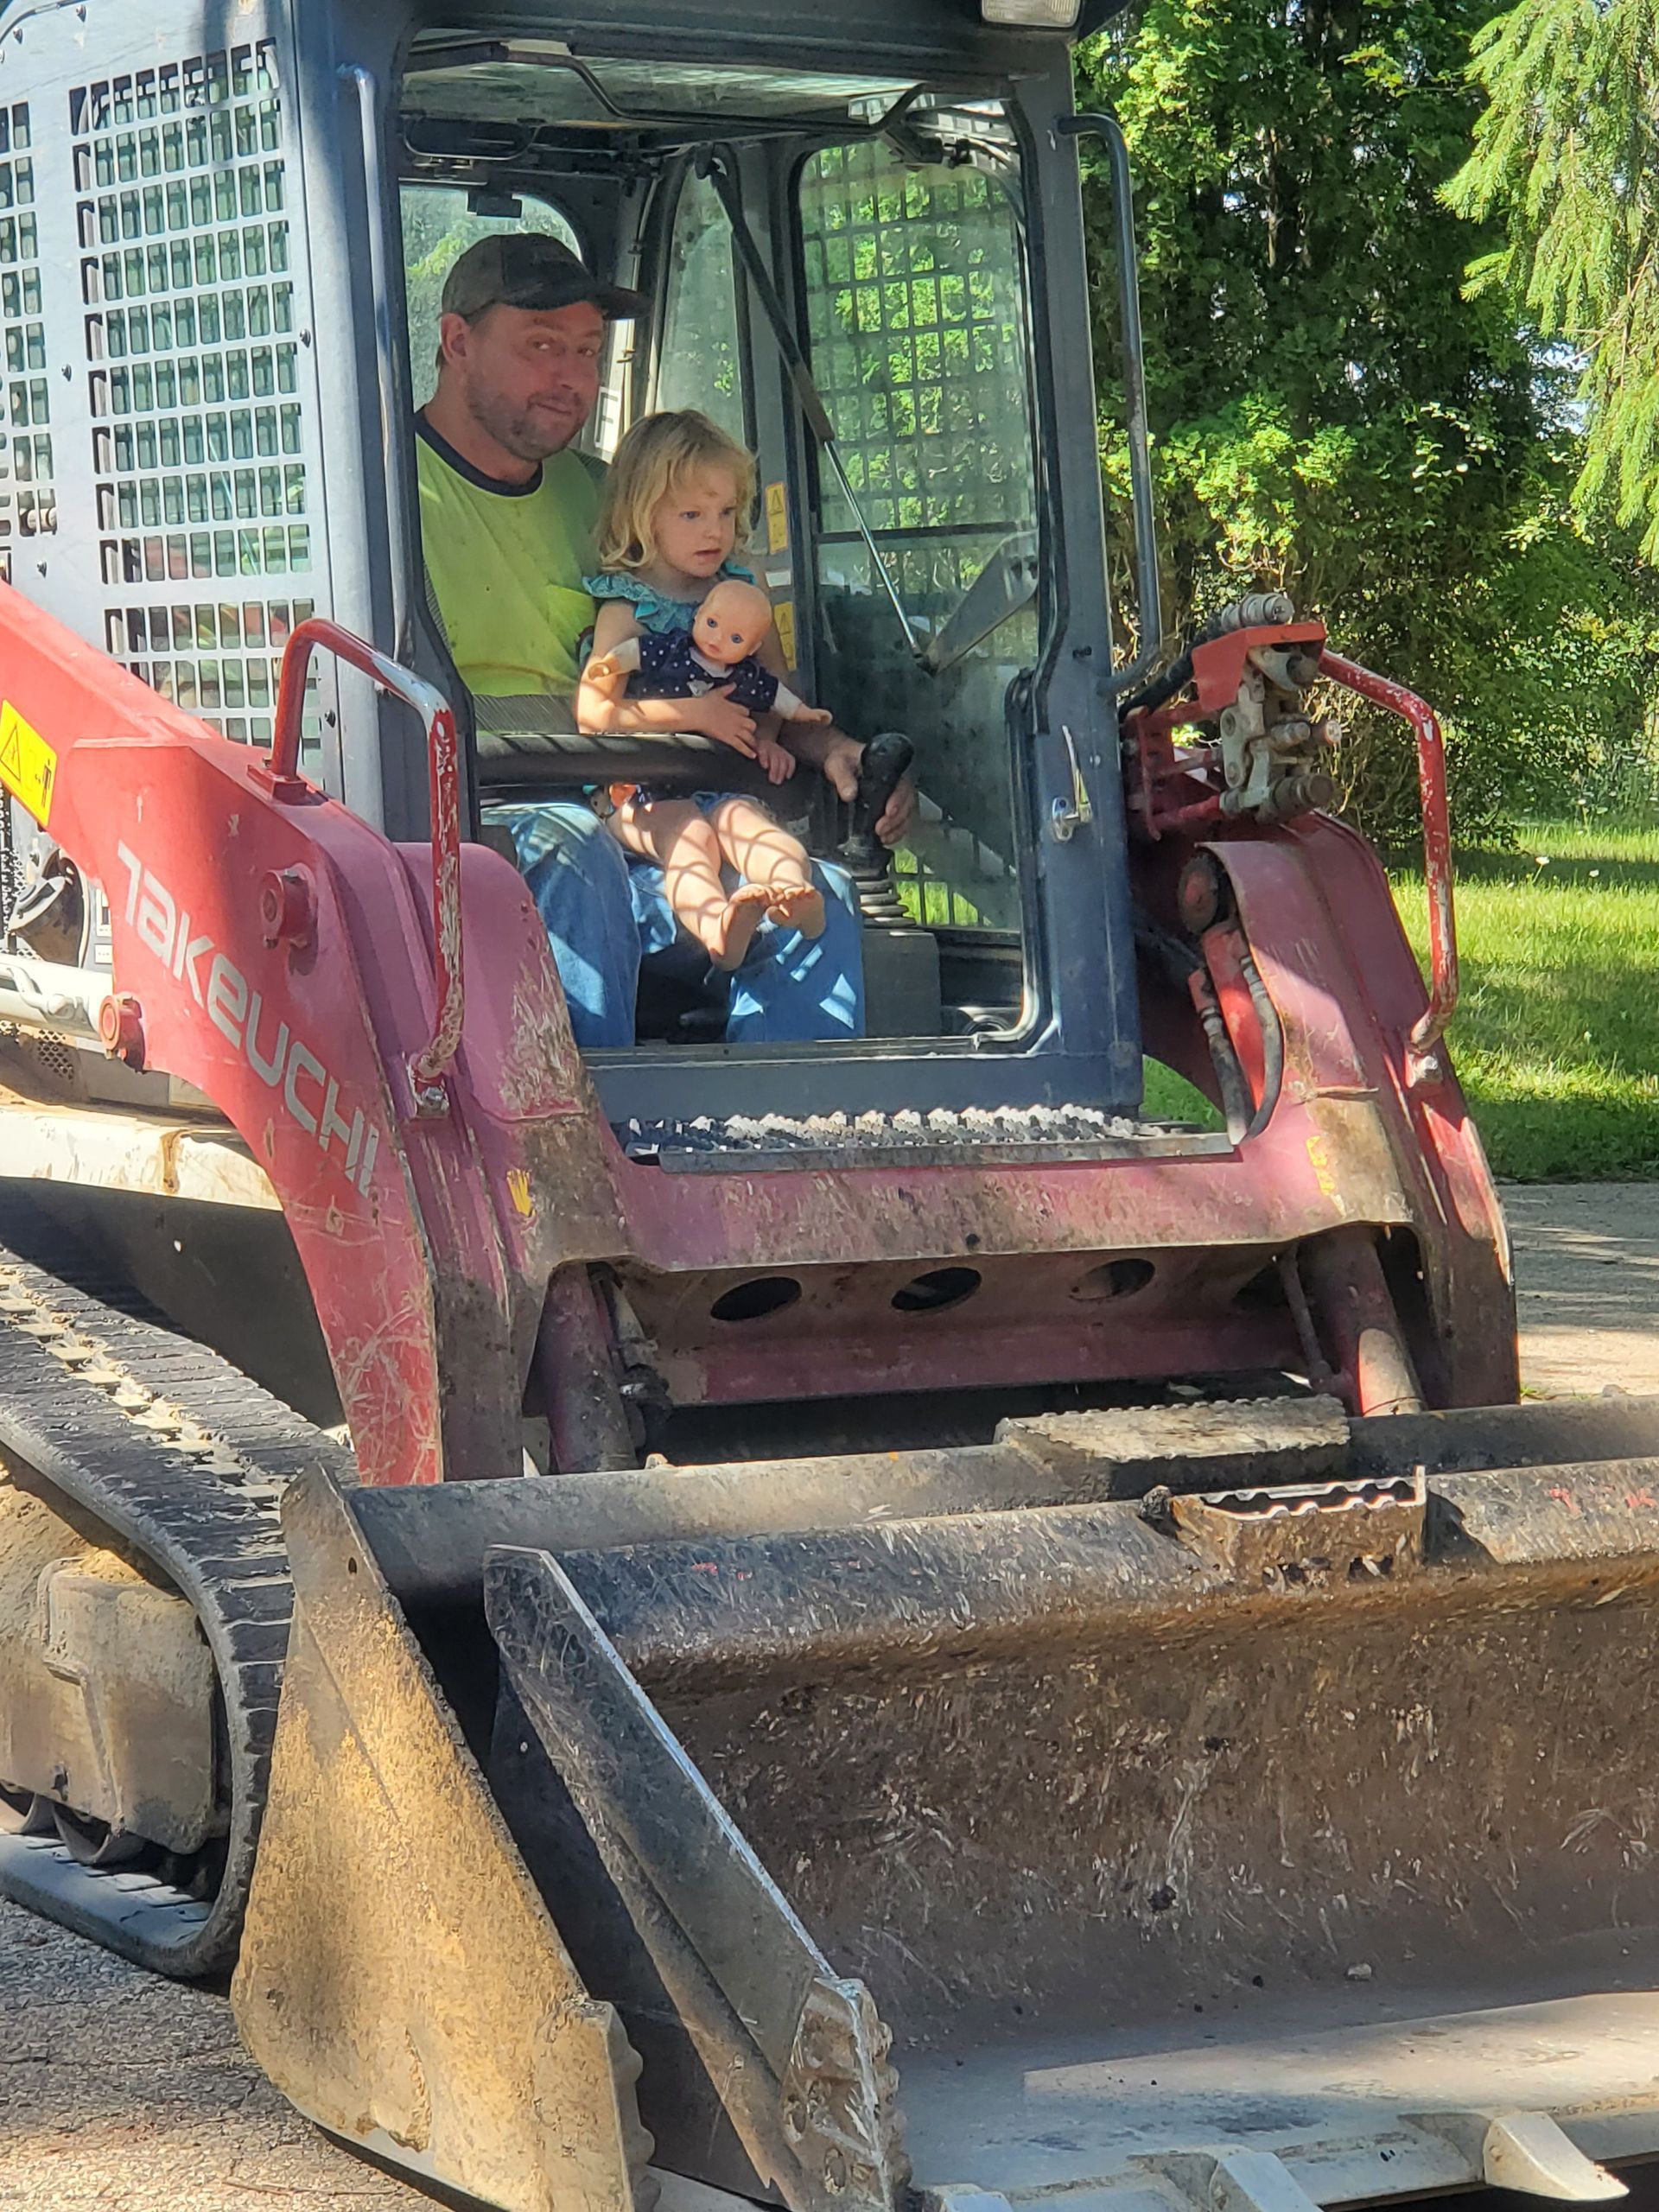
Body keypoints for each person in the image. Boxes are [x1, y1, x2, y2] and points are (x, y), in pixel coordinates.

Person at [413, 232, 913, 1047]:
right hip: (477, 826)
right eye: (541, 347)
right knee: (578, 852)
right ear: (457, 342)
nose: (570, 378)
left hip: (642, 806)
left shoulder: (615, 499)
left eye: (585, 350)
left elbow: (723, 644)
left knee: (812, 896)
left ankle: (784, 1153)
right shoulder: (391, 498)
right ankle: (580, 1153)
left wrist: (831, 750)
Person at [578, 411, 833, 970]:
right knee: (688, 836)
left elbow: (772, 687)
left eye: (725, 512)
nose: (715, 531)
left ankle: (795, 893)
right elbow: (594, 714)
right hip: (640, 793)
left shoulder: (741, 590)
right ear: (643, 517)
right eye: (692, 514)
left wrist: (767, 735)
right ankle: (718, 926)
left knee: (750, 826)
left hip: (721, 779)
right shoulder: (627, 607)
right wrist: (696, 714)